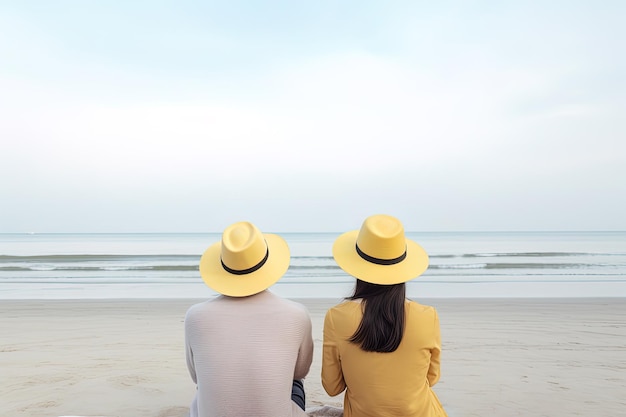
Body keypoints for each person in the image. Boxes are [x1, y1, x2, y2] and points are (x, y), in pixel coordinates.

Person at [322, 214, 448, 417]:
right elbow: (431, 378)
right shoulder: (428, 316)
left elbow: (332, 387)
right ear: (402, 267)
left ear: (357, 265)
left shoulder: (337, 317)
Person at [185, 221, 314, 417]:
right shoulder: (297, 313)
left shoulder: (195, 315)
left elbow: (196, 376)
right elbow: (299, 372)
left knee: (203, 387)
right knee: (294, 384)